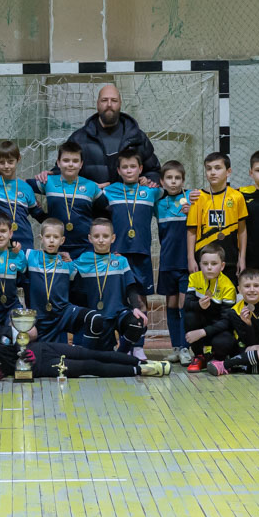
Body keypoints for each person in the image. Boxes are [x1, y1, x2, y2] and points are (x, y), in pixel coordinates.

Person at [0, 297, 168, 380]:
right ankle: (142, 370)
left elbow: (23, 347)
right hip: (42, 367)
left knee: (92, 353)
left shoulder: (7, 331)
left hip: (44, 349)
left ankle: (142, 362)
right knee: (89, 367)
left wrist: (27, 353)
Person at [102, 149, 162, 360]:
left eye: (133, 167)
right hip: (117, 255)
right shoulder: (109, 191)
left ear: (140, 169)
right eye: (125, 167)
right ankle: (123, 344)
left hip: (141, 255)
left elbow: (172, 191)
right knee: (119, 301)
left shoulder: (151, 192)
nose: (129, 170)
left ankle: (139, 345)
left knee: (141, 300)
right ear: (118, 171)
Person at [41, 84, 162, 185]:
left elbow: (154, 171)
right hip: (91, 205)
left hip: (128, 203)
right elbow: (64, 169)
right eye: (104, 100)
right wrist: (51, 175)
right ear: (97, 104)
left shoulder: (136, 137)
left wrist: (150, 180)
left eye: (114, 100)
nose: (109, 104)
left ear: (120, 103)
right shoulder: (79, 138)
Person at [72, 218, 150, 353]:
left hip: (117, 314)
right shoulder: (83, 260)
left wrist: (136, 307)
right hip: (93, 317)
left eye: (105, 236)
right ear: (90, 238)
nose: (101, 240)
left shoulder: (121, 261)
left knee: (137, 323)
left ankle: (121, 355)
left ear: (113, 238)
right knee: (93, 356)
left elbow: (131, 287)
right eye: (96, 236)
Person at [24, 219, 101, 344]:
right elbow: (11, 252)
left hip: (62, 314)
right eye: (48, 236)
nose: (51, 240)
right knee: (47, 352)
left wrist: (114, 257)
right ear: (41, 238)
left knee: (94, 318)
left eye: (56, 237)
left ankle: (81, 349)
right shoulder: (30, 256)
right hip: (39, 316)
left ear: (62, 240)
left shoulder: (68, 264)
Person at [205, 268, 259, 376]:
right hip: (245, 350)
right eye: (247, 286)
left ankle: (238, 367)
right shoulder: (235, 311)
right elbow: (249, 342)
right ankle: (225, 364)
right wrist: (248, 324)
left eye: (256, 285)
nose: (252, 289)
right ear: (239, 289)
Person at [30, 142, 105, 258]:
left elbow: (109, 208)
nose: (70, 164)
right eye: (66, 160)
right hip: (55, 246)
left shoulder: (91, 186)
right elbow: (20, 185)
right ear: (58, 163)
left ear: (81, 164)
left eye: (75, 161)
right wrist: (36, 210)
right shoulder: (47, 181)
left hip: (85, 247)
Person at [187, 152, 248, 281]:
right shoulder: (198, 197)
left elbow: (242, 230)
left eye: (218, 168)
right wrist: (191, 258)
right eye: (209, 169)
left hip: (230, 258)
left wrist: (241, 258)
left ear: (228, 171)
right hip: (204, 261)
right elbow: (191, 231)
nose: (213, 172)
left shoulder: (237, 197)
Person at [0, 141, 43, 250]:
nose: (6, 166)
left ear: (18, 159)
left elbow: (38, 214)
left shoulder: (26, 188)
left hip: (24, 242)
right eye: (2, 162)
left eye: (10, 162)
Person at [155, 160, 191, 365]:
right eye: (169, 178)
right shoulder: (158, 204)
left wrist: (193, 209)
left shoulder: (191, 199)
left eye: (177, 178)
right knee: (171, 304)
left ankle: (186, 347)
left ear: (183, 180)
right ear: (162, 181)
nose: (173, 181)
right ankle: (176, 347)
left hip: (186, 263)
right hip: (167, 262)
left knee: (184, 305)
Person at [183, 243, 237, 372]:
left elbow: (227, 321)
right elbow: (186, 304)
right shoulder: (194, 278)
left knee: (223, 342)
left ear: (222, 266)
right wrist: (198, 305)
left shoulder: (228, 286)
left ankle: (217, 358)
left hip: (219, 328)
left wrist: (202, 332)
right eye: (205, 263)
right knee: (190, 316)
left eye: (214, 264)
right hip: (201, 323)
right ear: (200, 264)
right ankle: (199, 356)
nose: (209, 267)